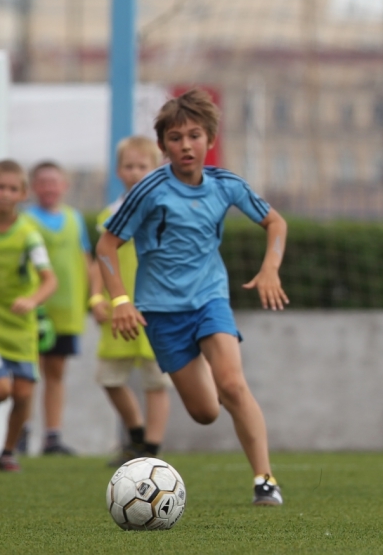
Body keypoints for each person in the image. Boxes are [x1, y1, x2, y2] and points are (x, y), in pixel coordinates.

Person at [95, 89, 289, 506]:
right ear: (163, 144)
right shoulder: (149, 190)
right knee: (205, 413)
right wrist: (120, 301)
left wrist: (270, 268)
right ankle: (206, 368)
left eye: (195, 135)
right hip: (161, 313)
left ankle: (265, 480)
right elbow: (107, 244)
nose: (186, 145)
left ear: (210, 139)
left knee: (233, 385)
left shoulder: (226, 185)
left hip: (209, 300)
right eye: (176, 137)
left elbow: (276, 222)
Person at [93, 136, 173, 465]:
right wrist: (96, 296)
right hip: (118, 308)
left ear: (155, 170)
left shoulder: (165, 210)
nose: (135, 172)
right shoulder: (109, 213)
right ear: (118, 171)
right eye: (129, 166)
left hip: (156, 310)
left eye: (143, 166)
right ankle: (136, 434)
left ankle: (151, 449)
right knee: (109, 378)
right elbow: (100, 258)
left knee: (156, 381)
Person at [25, 161, 105, 456]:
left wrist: (94, 296)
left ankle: (52, 436)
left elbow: (86, 259)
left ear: (64, 186)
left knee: (56, 372)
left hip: (67, 309)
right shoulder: (26, 220)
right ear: (34, 187)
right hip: (34, 308)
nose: (49, 188)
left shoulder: (74, 219)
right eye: (43, 182)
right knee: (29, 373)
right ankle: (21, 432)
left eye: (54, 182)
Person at [0, 160, 58, 472]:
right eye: (0, 187)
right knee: (0, 388)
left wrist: (32, 300)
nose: (5, 193)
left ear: (23, 194)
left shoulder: (29, 235)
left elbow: (49, 280)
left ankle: (7, 452)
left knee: (24, 394)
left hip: (21, 329)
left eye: (12, 188)